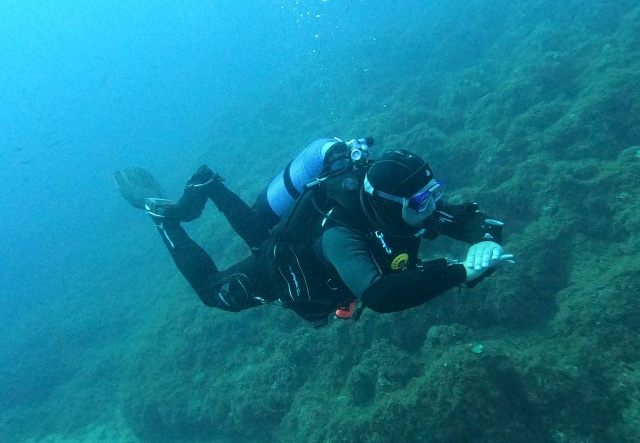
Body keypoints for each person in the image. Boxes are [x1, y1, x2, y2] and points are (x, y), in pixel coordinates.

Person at [114, 137, 514, 326]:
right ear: (389, 203)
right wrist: (461, 271)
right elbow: (380, 295)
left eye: (435, 192)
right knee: (214, 292)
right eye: (423, 199)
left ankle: (210, 185)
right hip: (285, 268)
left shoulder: (408, 204)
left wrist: (485, 241)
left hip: (294, 240)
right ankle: (162, 217)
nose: (432, 206)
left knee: (261, 235)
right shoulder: (341, 234)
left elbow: (470, 220)